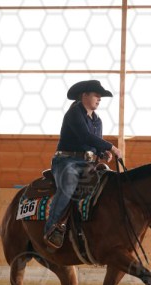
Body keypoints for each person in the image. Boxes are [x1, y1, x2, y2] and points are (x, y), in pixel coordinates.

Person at [43, 80, 122, 249]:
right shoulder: (74, 113)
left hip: (87, 164)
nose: (99, 99)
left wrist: (102, 153)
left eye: (100, 97)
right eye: (96, 95)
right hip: (66, 161)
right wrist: (111, 147)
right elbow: (85, 136)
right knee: (69, 182)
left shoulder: (97, 121)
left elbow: (94, 143)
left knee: (106, 182)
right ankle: (51, 229)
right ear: (84, 95)